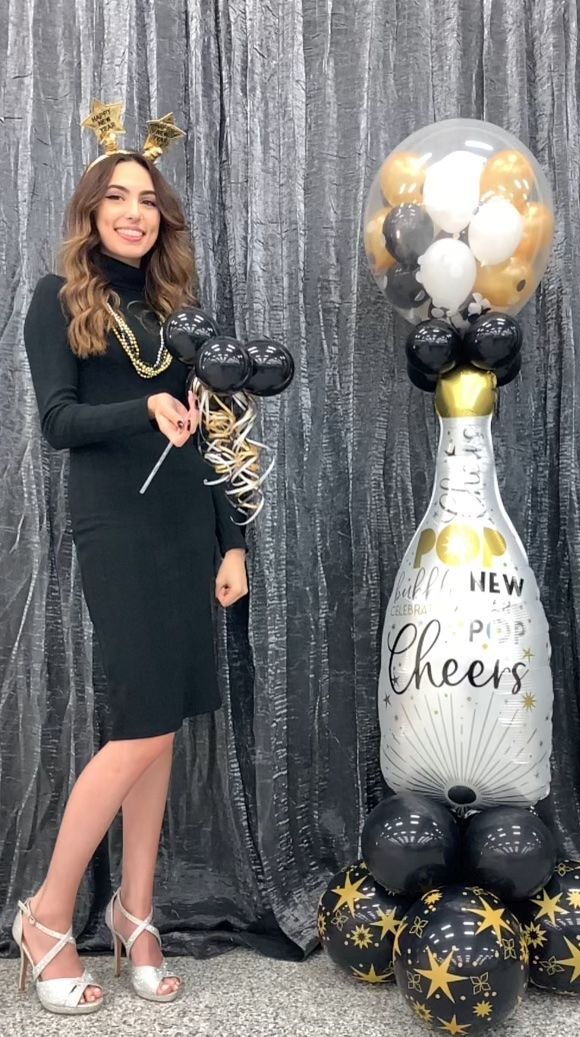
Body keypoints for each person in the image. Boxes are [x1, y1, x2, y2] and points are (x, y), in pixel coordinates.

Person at [15, 134, 248, 1014]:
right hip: (116, 523)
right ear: (91, 210)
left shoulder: (177, 313)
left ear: (163, 217)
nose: (134, 211)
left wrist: (233, 542)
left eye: (148, 199)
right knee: (141, 723)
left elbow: (213, 428)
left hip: (188, 526)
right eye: (118, 196)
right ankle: (46, 915)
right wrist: (143, 407)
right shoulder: (57, 300)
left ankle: (136, 912)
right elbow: (58, 420)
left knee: (165, 723)